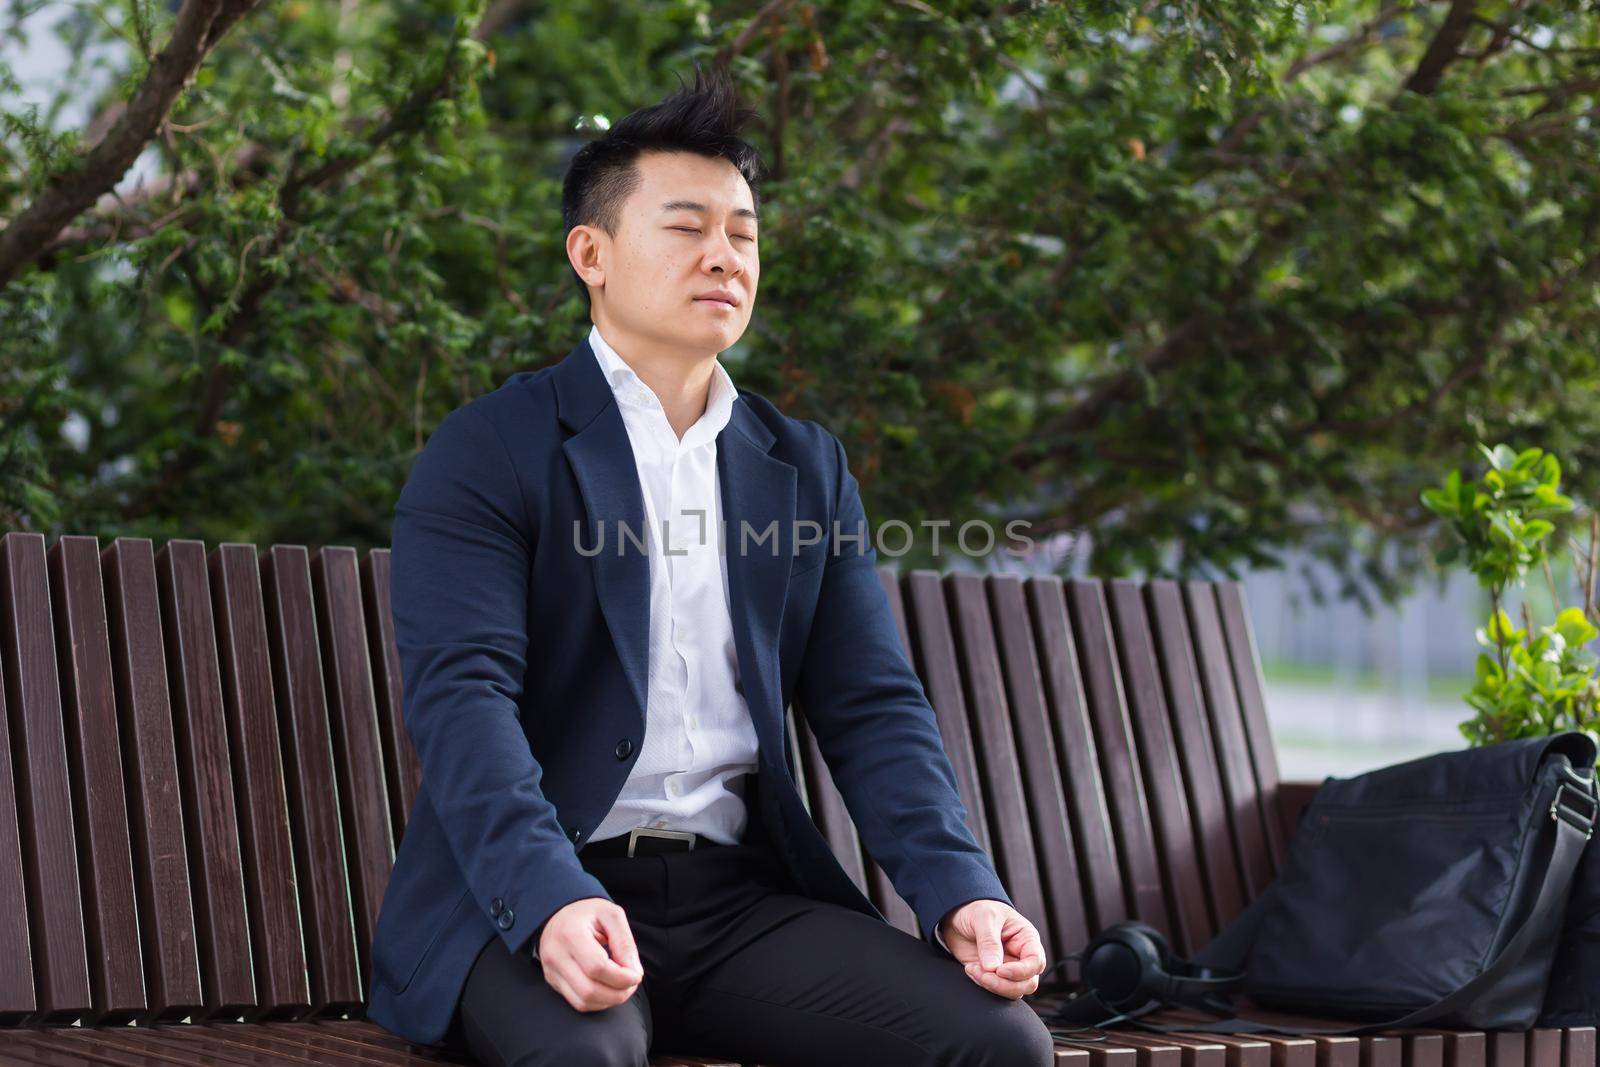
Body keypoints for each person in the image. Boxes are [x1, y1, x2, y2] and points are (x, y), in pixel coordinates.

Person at [364, 62, 1055, 1067]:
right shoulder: (492, 448)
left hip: (739, 905)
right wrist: (551, 895)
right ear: (590, 254)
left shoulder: (800, 465)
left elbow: (871, 703)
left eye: (743, 232)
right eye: (686, 228)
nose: (723, 255)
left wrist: (960, 888)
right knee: (585, 1059)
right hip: (533, 897)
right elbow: (462, 699)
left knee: (999, 1044)